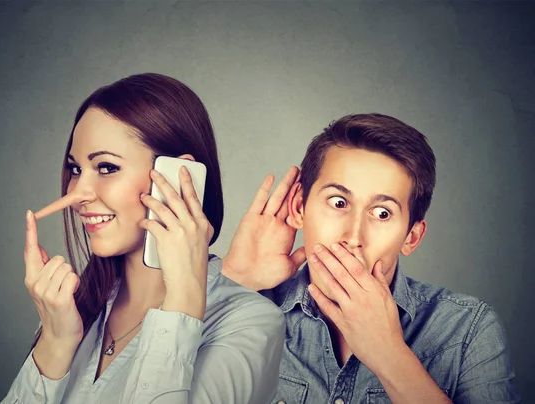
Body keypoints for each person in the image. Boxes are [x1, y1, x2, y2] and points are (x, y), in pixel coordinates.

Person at [2, 73, 285, 404]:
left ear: (180, 179)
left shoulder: (250, 323)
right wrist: (56, 341)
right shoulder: (76, 308)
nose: (77, 194)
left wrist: (183, 303)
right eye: (76, 169)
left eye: (106, 167)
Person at [222, 113, 520, 403]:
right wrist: (233, 280)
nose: (353, 237)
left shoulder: (468, 329)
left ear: (411, 237)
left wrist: (388, 354)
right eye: (338, 203)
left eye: (382, 213)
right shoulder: (249, 305)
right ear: (299, 207)